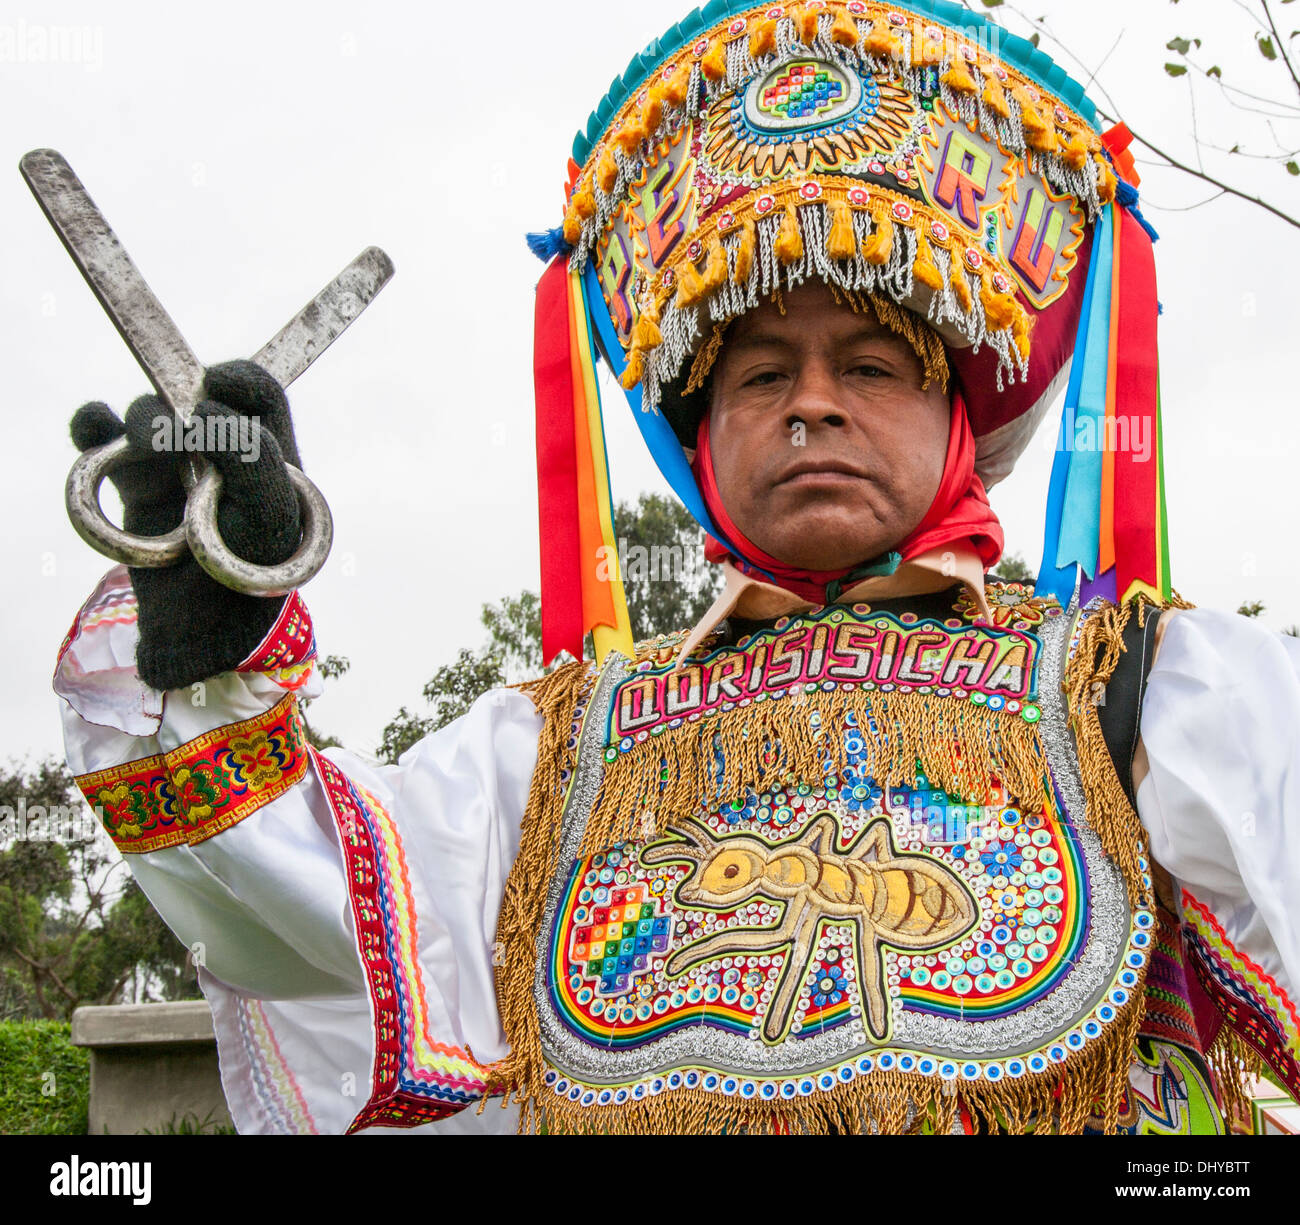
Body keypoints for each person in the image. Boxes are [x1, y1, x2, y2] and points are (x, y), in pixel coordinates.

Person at [55, 0, 1297, 1135]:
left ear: (959, 420)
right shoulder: (545, 754)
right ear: (700, 436)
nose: (811, 405)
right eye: (760, 375)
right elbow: (311, 926)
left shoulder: (1138, 691)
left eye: (870, 366)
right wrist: (206, 622)